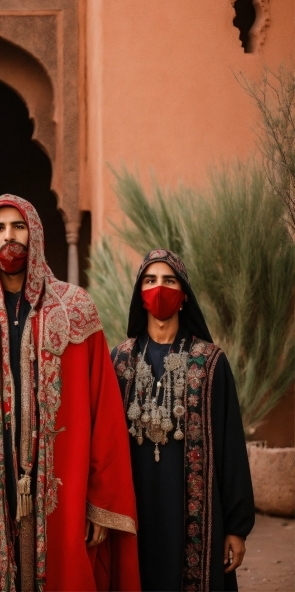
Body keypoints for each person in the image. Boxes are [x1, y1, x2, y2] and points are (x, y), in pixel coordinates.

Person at [0, 194, 141, 592]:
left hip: (62, 488)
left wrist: (101, 502)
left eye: (18, 226)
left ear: (35, 233)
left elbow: (103, 412)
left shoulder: (76, 309)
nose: (10, 238)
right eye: (0, 228)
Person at [111, 249, 255, 592]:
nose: (159, 288)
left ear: (183, 295)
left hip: (194, 519)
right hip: (136, 510)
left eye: (169, 280)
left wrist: (236, 527)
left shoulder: (210, 362)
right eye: (149, 281)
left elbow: (231, 447)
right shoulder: (119, 361)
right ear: (140, 295)